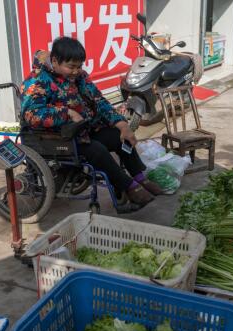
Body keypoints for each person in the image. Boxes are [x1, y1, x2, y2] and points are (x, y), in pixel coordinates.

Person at [19, 37, 162, 207]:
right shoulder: (37, 80)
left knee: (119, 136)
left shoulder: (80, 77)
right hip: (58, 138)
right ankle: (128, 186)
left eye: (79, 66)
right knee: (96, 150)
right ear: (55, 61)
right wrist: (67, 113)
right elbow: (31, 114)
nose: (76, 71)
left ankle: (140, 178)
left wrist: (122, 124)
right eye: (71, 67)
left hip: (84, 130)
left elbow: (99, 101)